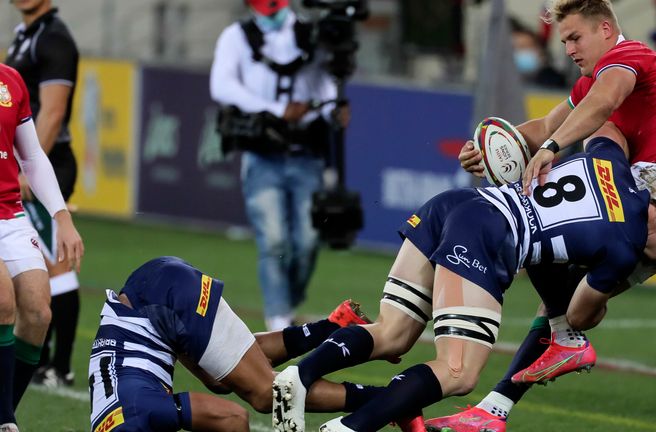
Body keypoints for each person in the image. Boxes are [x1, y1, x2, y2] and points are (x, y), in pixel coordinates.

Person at [271, 124, 656, 432]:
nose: (650, 265)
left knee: (393, 333)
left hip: (455, 203)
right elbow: (576, 313)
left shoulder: (612, 163)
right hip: (488, 235)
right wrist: (601, 299)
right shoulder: (625, 249)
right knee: (458, 372)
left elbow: (607, 126)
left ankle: (302, 375)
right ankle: (350, 428)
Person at [436, 0, 656, 430]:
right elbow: (544, 127)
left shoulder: (630, 56)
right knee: (567, 307)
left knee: (585, 150)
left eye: (576, 38)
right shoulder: (588, 84)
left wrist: (549, 149)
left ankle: (558, 343)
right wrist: (488, 146)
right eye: (564, 42)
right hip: (639, 199)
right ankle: (495, 409)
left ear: (605, 29)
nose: (570, 50)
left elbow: (602, 105)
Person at [87, 256, 384, 432]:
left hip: (165, 300)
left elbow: (233, 419)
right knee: (223, 377)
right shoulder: (129, 418)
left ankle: (386, 399)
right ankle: (335, 326)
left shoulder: (142, 413)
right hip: (151, 300)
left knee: (267, 395)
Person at [210, 0, 348, 331]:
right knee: (272, 240)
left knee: (307, 242)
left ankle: (287, 300)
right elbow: (222, 85)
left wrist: (329, 109)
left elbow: (325, 81)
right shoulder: (236, 36)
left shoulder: (309, 33)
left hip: (306, 155)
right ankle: (278, 320)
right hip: (262, 157)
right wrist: (274, 109)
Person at [0, 62, 83, 432]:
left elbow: (31, 156)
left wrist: (61, 217)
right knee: (3, 302)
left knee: (37, 312)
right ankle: (5, 422)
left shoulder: (10, 80)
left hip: (10, 215)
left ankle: (4, 414)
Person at [510, 17, 567, 89]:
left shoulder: (553, 79)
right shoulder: (503, 78)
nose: (519, 52)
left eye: (524, 47)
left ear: (539, 51)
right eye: (515, 48)